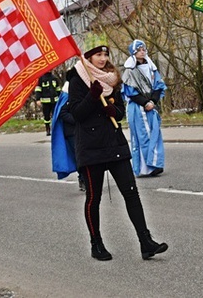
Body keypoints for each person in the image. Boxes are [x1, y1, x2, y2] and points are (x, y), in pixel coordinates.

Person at [67, 36, 168, 261]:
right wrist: (93, 97)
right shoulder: (77, 79)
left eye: (105, 54)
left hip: (114, 144)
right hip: (91, 147)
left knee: (131, 193)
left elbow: (120, 110)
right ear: (88, 56)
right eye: (98, 55)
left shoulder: (112, 79)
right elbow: (76, 115)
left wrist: (116, 113)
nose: (103, 59)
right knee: (94, 198)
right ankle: (96, 244)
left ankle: (145, 241)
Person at [121, 39, 167, 177]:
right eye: (139, 49)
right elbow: (130, 91)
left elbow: (158, 86)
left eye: (144, 49)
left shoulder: (152, 68)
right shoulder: (130, 71)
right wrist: (144, 103)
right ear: (134, 52)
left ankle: (155, 163)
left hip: (150, 107)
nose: (143, 51)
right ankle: (146, 166)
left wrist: (153, 101)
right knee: (143, 136)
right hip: (137, 108)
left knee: (154, 134)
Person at [50, 81, 83, 191]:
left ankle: (87, 179)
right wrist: (77, 120)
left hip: (83, 131)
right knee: (79, 157)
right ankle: (83, 179)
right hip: (72, 132)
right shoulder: (67, 93)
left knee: (85, 156)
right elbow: (62, 113)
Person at [34, 71, 60, 136]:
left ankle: (55, 130)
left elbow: (58, 89)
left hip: (54, 101)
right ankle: (47, 129)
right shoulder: (41, 78)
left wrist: (60, 99)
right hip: (45, 102)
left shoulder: (54, 78)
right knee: (47, 117)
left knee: (55, 116)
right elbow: (38, 90)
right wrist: (38, 99)